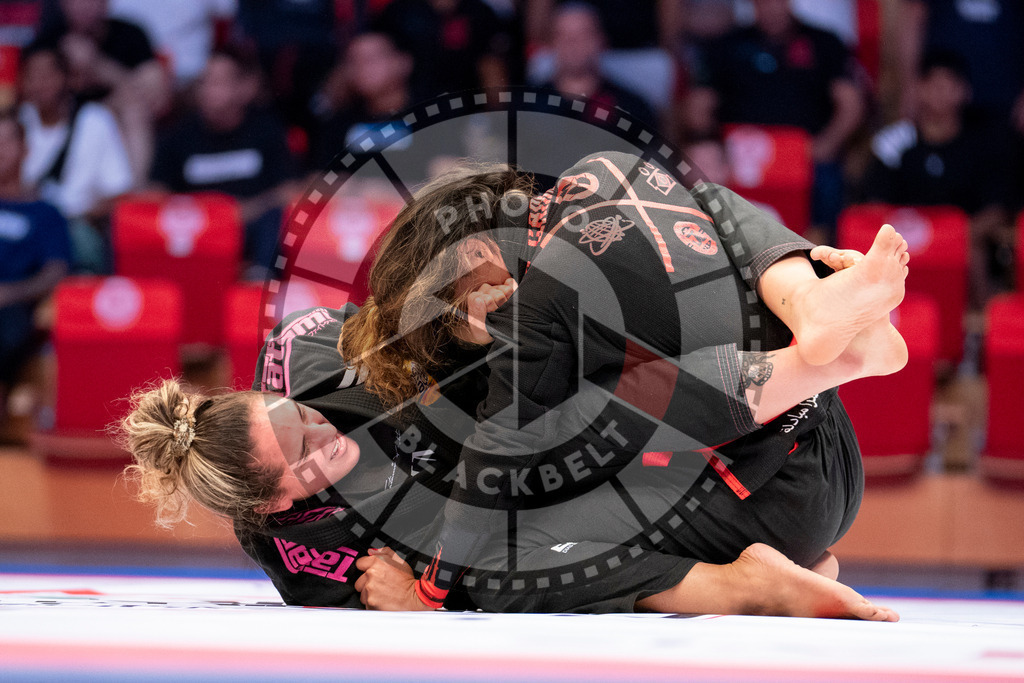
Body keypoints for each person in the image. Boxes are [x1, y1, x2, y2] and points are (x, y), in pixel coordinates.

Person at [326, 150, 909, 611]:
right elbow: (719, 209)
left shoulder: (529, 310)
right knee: (706, 207)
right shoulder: (605, 170)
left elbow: (497, 455)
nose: (475, 323)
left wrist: (427, 592)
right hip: (831, 445)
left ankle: (743, 585)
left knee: (499, 557)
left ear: (473, 249)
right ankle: (811, 303)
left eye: (458, 309)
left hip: (772, 498)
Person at [119, 298, 898, 621]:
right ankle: (749, 580)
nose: (326, 438)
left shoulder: (309, 349)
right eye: (306, 463)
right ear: (274, 506)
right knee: (498, 560)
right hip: (773, 505)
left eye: (298, 420)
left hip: (786, 426)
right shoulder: (308, 558)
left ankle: (821, 349)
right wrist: (417, 602)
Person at [685, 0, 864, 240]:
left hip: (806, 154)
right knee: (705, 169)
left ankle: (825, 253)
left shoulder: (823, 41)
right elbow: (697, 107)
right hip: (738, 155)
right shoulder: (727, 43)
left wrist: (825, 146)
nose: (770, 7)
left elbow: (851, 104)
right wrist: (717, 148)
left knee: (829, 181)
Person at [863, 50, 1014, 308]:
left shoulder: (984, 146)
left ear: (965, 92)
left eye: (950, 85)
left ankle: (978, 332)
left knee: (972, 251)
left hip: (960, 243)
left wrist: (950, 236)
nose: (940, 93)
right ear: (919, 88)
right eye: (933, 83)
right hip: (904, 244)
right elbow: (873, 207)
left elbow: (996, 210)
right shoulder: (893, 142)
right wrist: (916, 239)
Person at [148, 47, 298, 280]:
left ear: (241, 89)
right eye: (204, 83)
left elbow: (290, 190)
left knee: (274, 217)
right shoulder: (177, 136)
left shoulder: (266, 131)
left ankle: (258, 281)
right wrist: (208, 214)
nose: (209, 91)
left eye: (219, 83)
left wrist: (246, 210)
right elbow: (156, 193)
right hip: (196, 229)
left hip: (250, 223)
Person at [17, 43, 133, 272]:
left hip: (74, 225)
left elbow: (119, 193)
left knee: (80, 238)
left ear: (67, 78)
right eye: (32, 76)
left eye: (48, 75)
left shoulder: (95, 120)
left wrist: (83, 215)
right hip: (24, 225)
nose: (40, 84)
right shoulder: (16, 123)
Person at [29, 0, 171, 184]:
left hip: (116, 118)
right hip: (65, 124)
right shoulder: (49, 40)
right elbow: (36, 94)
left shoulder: (130, 33)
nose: (83, 6)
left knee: (133, 106)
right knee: (98, 119)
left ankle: (135, 192)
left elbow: (157, 93)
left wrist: (97, 65)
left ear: (106, 3)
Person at [0, 110, 71, 422]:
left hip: (17, 308)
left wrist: (11, 293)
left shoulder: (45, 212)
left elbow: (56, 271)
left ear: (26, 150)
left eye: (7, 141)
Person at [532, 3, 657, 127]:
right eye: (563, 35)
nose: (572, 44)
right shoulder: (528, 106)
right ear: (551, 43)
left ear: (601, 40)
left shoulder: (632, 109)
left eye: (583, 35)